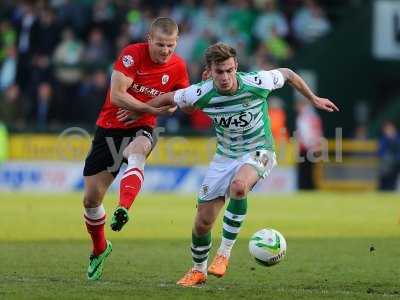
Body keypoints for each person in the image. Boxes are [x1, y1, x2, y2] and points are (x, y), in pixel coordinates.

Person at [120, 42, 339, 287]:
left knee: (238, 186)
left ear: (235, 67)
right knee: (202, 222)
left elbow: (287, 74)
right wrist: (141, 110)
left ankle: (224, 254)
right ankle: (198, 270)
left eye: (229, 70)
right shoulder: (201, 92)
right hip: (224, 157)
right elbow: (170, 97)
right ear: (210, 71)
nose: (225, 77)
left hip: (260, 150)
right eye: (219, 72)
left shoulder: (257, 82)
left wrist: (314, 98)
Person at [82, 17, 189, 281]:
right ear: (149, 39)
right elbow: (117, 95)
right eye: (161, 45)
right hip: (110, 126)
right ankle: (100, 248)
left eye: (171, 46)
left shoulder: (178, 66)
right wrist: (149, 107)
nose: (165, 51)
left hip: (144, 127)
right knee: (91, 200)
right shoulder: (131, 54)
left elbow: (177, 102)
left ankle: (124, 207)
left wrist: (148, 111)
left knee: (137, 151)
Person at [378, 121, 400, 191]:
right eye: (387, 129)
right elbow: (380, 153)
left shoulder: (397, 138)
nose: (389, 131)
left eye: (390, 128)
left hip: (397, 165)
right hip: (387, 166)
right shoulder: (383, 139)